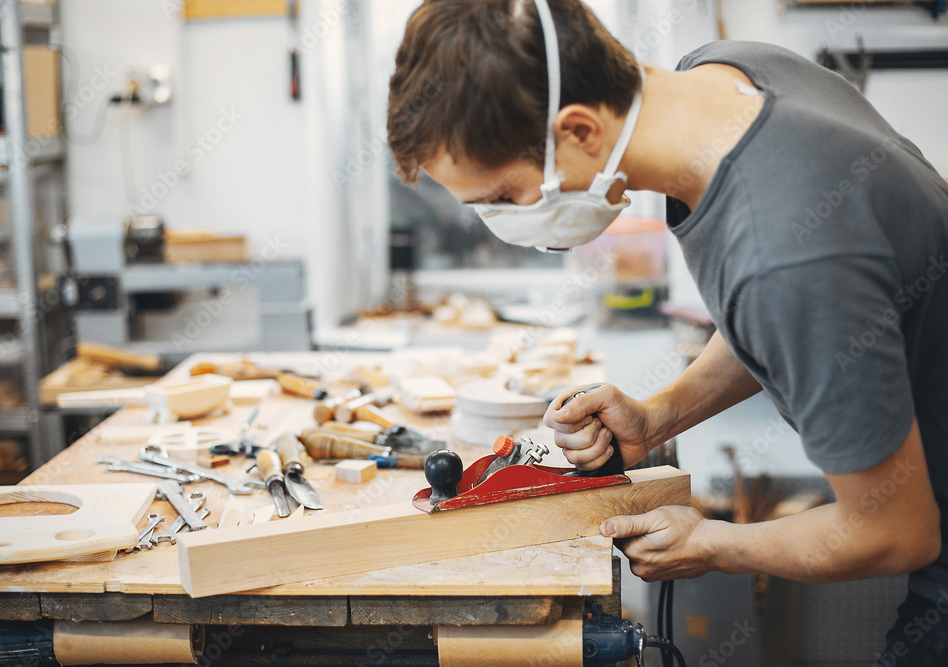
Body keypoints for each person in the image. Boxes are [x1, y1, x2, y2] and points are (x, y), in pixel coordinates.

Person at [387, 0, 948, 662]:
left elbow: (892, 530)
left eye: (505, 197)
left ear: (580, 131)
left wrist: (712, 542)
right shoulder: (731, 77)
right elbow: (779, 318)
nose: (504, 221)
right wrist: (659, 415)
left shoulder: (787, 251)